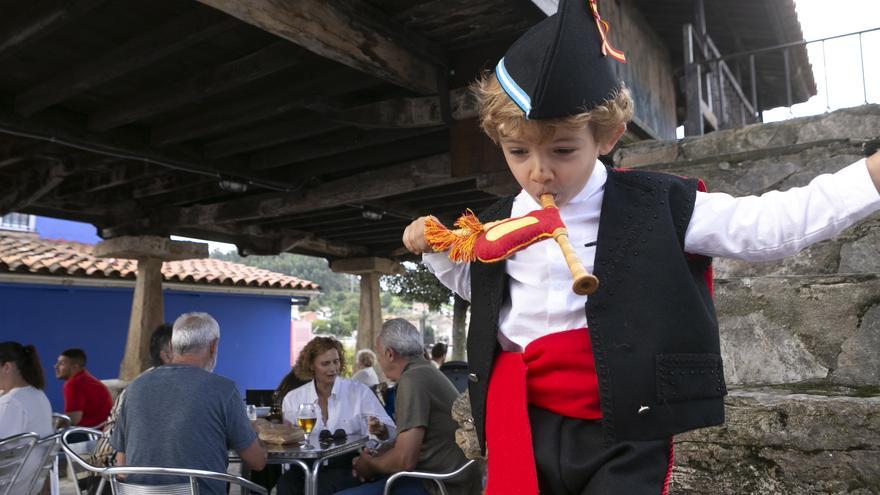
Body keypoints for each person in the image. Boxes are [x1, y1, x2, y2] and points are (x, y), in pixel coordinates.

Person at [401, 0, 880, 493]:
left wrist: (870, 180)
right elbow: (484, 293)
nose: (539, 171)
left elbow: (767, 225)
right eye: (518, 151)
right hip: (522, 419)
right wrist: (436, 250)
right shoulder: (494, 223)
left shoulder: (660, 205)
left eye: (563, 150)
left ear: (606, 136)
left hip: (625, 425)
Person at [111, 312, 266, 495]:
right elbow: (257, 462)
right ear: (213, 346)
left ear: (172, 345)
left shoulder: (135, 388)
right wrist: (253, 434)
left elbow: (122, 466)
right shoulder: (223, 390)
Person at [339, 319, 482, 495]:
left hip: (439, 486)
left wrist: (369, 465)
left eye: (379, 355)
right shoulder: (426, 370)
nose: (379, 362)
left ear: (390, 354)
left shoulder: (412, 380)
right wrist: (379, 455)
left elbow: (405, 460)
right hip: (454, 478)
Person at [276, 337, 395, 495]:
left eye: (336, 362)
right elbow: (289, 442)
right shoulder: (294, 398)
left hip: (348, 465)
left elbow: (392, 433)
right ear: (311, 366)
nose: (333, 368)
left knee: (320, 488)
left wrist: (380, 429)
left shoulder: (358, 392)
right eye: (325, 364)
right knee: (285, 485)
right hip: (305, 465)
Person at [94, 324, 173, 468]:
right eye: (183, 349)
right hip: (112, 466)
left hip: (132, 464)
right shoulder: (147, 386)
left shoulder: (163, 381)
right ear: (166, 355)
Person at [0, 342, 53, 494]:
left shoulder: (12, 403)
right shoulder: (37, 394)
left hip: (8, 485)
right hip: (29, 483)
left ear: (7, 367)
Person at [54, 348, 112, 427]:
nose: (56, 366)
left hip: (89, 434)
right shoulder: (85, 379)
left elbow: (73, 420)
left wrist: (54, 428)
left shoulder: (74, 384)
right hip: (102, 431)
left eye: (62, 364)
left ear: (75, 367)